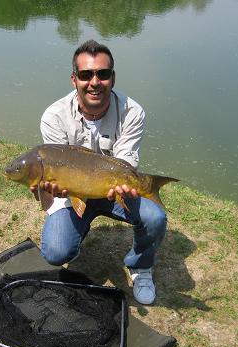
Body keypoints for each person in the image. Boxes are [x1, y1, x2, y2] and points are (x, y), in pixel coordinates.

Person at [33, 39, 167, 305]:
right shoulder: (54, 116)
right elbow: (52, 178)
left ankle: (140, 267)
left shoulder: (132, 112)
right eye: (86, 75)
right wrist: (49, 190)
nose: (94, 82)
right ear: (74, 79)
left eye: (102, 74)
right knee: (57, 251)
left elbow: (125, 161)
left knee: (155, 218)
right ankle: (77, 230)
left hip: (113, 189)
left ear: (112, 78)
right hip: (73, 194)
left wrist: (129, 185)